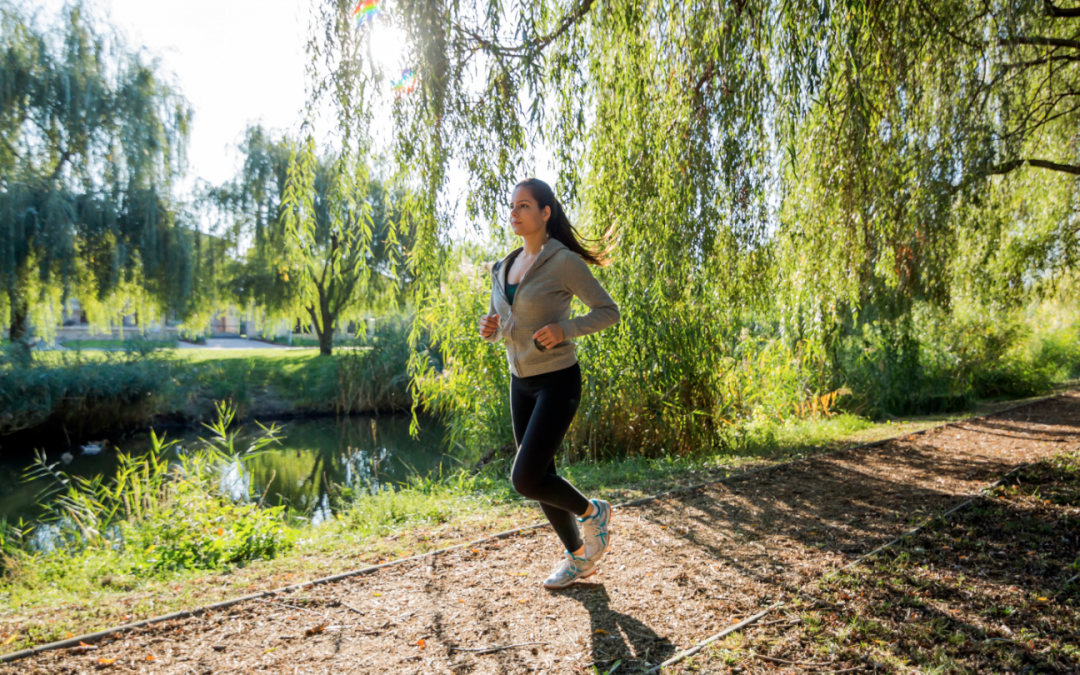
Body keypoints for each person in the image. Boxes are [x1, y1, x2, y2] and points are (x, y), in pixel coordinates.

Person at [478, 177, 621, 589]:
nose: (514, 212)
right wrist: (490, 329)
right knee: (541, 476)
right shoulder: (503, 266)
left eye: (524, 206)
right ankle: (579, 559)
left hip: (558, 379)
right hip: (519, 381)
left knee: (525, 478)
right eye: (512, 205)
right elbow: (504, 325)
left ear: (545, 213)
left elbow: (607, 311)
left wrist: (564, 329)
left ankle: (593, 513)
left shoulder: (562, 261)